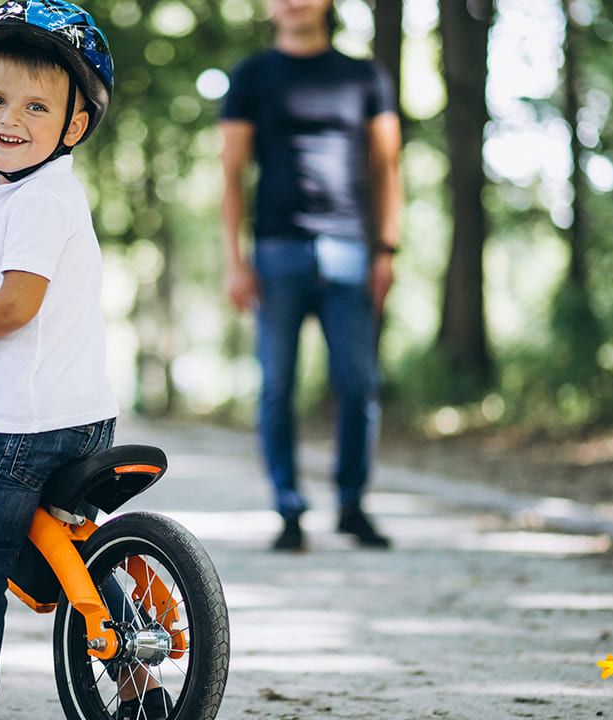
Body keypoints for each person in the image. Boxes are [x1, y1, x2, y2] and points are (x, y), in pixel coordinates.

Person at [0, 2, 169, 718]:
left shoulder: (41, 199)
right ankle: (137, 682)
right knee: (71, 549)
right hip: (81, 417)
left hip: (31, 430)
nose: (8, 118)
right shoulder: (26, 191)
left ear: (73, 127)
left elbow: (17, 305)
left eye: (35, 106)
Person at [220, 0, 403, 551]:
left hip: (349, 249)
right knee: (276, 385)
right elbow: (231, 171)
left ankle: (351, 503)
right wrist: (234, 257)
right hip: (276, 251)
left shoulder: (364, 76)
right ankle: (289, 508)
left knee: (358, 384)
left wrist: (387, 250)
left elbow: (386, 169)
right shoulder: (251, 76)